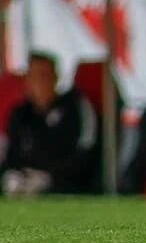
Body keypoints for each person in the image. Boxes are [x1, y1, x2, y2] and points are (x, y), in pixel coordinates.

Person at [0, 53, 98, 196]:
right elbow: (8, 152)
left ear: (56, 77)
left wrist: (50, 179)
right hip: (23, 184)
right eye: (34, 76)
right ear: (27, 80)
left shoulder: (75, 107)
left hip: (67, 187)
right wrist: (11, 174)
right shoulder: (20, 114)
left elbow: (86, 153)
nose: (39, 82)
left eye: (44, 75)